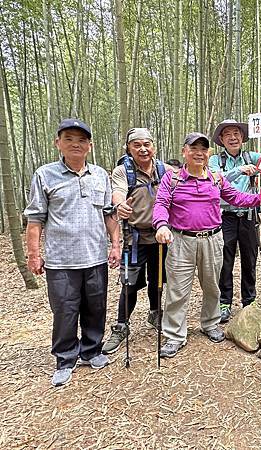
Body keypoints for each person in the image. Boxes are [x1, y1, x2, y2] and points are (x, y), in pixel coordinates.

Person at [24, 118, 121, 387]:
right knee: (65, 310)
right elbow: (35, 219)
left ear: (89, 146)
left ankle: (91, 350)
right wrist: (34, 254)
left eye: (81, 140)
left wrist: (115, 244)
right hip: (60, 260)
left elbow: (109, 214)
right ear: (58, 143)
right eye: (69, 139)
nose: (75, 144)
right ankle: (65, 359)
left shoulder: (100, 174)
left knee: (96, 306)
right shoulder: (45, 174)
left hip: (95, 257)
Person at [153, 132, 261, 358]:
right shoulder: (172, 178)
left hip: (212, 239)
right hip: (181, 240)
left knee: (212, 285)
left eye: (203, 149)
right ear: (184, 152)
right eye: (193, 149)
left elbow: (237, 198)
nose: (199, 153)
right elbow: (161, 203)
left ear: (208, 153)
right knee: (177, 289)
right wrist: (161, 225)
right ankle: (174, 335)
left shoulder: (216, 178)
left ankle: (210, 323)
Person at [102, 128, 173, 354]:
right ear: (129, 148)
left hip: (161, 236)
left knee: (158, 280)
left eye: (147, 144)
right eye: (137, 145)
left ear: (154, 146)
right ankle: (121, 326)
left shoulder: (166, 170)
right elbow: (118, 192)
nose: (143, 149)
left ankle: (155, 314)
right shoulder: (123, 171)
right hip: (135, 239)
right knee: (129, 283)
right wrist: (120, 204)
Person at [208, 120, 261, 323]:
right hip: (224, 217)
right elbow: (215, 179)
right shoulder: (215, 160)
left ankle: (249, 302)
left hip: (249, 216)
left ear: (242, 137)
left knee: (250, 260)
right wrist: (240, 170)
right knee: (225, 261)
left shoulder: (252, 157)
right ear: (221, 140)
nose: (233, 137)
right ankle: (224, 302)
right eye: (228, 134)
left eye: (236, 133)